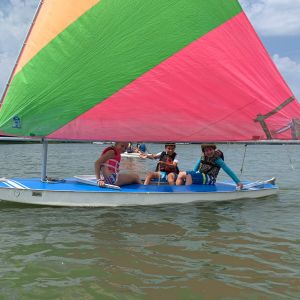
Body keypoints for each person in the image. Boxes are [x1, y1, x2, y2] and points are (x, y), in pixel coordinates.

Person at [176, 144, 243, 189]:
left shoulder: (218, 159)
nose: (209, 152)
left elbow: (228, 170)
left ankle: (186, 194)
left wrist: (237, 182)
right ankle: (178, 190)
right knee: (181, 174)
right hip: (201, 174)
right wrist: (194, 174)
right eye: (206, 151)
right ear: (204, 152)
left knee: (189, 176)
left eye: (210, 150)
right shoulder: (203, 157)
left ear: (214, 149)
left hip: (210, 178)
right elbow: (195, 168)